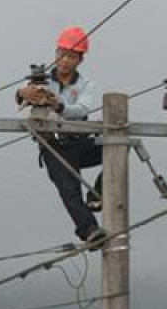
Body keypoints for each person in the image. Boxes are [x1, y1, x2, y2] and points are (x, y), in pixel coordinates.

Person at [16, 26, 106, 248]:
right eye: (62, 54)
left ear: (80, 60)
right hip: (54, 145)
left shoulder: (86, 85)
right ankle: (89, 230)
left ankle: (99, 192)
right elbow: (23, 95)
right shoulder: (42, 80)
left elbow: (81, 108)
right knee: (69, 189)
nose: (65, 61)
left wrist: (58, 105)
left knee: (118, 145)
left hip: (80, 142)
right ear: (56, 54)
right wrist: (21, 93)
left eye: (71, 56)